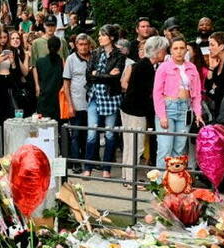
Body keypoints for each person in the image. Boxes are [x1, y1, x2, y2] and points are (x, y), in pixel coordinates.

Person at [121, 36, 167, 183]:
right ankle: (130, 180)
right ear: (158, 51)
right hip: (136, 111)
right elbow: (147, 94)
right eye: (164, 50)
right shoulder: (147, 68)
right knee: (136, 146)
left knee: (129, 144)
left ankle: (126, 176)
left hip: (128, 107)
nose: (165, 53)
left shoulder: (142, 65)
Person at [153, 37, 204, 169]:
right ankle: (159, 185)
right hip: (168, 108)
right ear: (170, 51)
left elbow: (197, 94)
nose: (179, 51)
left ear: (186, 49)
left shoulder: (192, 68)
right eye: (175, 48)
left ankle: (175, 184)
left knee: (180, 148)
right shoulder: (163, 67)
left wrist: (198, 113)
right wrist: (162, 115)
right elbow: (157, 93)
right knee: (165, 147)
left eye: (182, 48)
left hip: (185, 109)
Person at [84, 24, 127, 178]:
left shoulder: (119, 55)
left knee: (110, 134)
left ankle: (106, 168)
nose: (99, 38)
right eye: (100, 35)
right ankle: (87, 167)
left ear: (112, 37)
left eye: (103, 35)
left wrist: (99, 75)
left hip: (111, 97)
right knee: (92, 132)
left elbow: (116, 78)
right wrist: (106, 75)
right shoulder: (95, 53)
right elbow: (88, 75)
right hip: (95, 96)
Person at [63, 34, 92, 171]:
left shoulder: (94, 57)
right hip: (76, 102)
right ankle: (75, 162)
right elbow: (66, 83)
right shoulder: (71, 59)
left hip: (92, 104)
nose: (83, 47)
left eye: (85, 44)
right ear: (75, 45)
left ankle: (88, 162)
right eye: (80, 44)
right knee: (75, 134)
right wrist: (69, 104)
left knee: (90, 134)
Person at [34, 36, 63, 120]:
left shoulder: (40, 62)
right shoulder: (61, 61)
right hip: (57, 100)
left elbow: (39, 77)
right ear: (59, 47)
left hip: (44, 99)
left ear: (47, 46)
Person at [8, 30, 34, 115]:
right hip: (14, 89)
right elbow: (25, 72)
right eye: (13, 38)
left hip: (26, 89)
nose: (16, 40)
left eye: (17, 38)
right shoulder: (11, 53)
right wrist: (26, 57)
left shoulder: (21, 52)